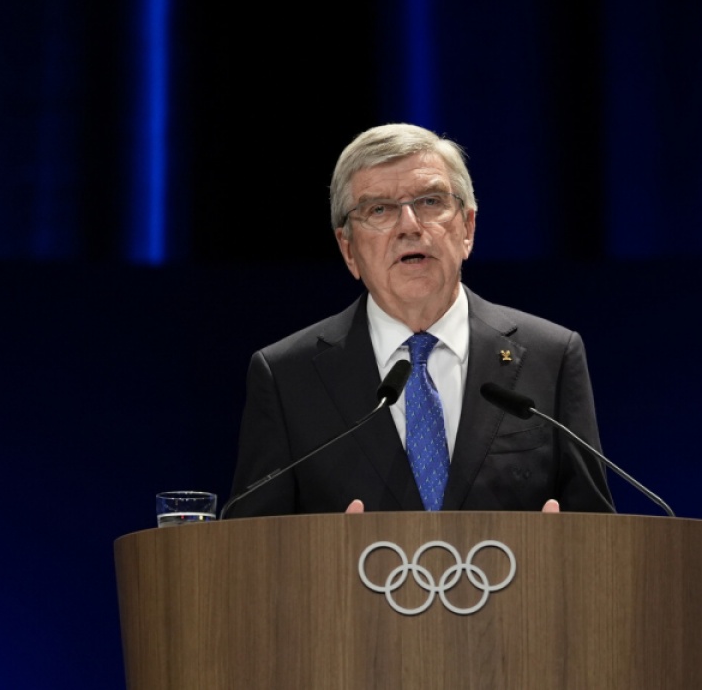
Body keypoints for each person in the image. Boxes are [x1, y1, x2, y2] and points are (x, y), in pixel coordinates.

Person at [226, 123, 614, 517]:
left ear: (468, 228)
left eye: (430, 202)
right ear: (348, 249)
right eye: (378, 209)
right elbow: (252, 542)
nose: (410, 226)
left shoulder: (551, 356)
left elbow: (600, 534)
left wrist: (560, 545)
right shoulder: (287, 376)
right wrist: (329, 551)